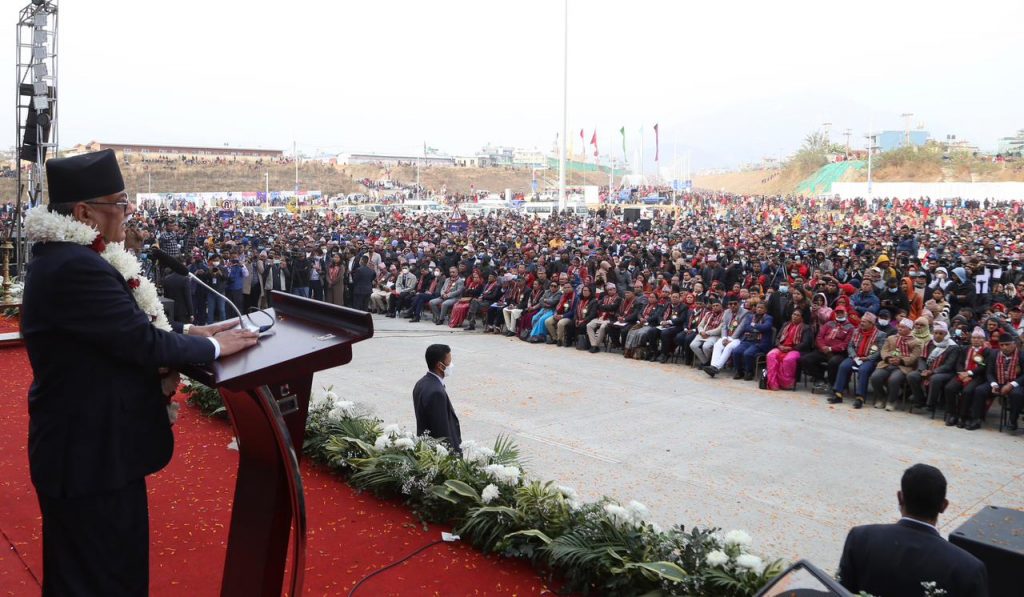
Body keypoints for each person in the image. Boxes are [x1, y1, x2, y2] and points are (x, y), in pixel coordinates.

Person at [21, 149, 259, 595]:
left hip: (90, 452)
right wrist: (212, 346)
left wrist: (189, 330)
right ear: (83, 212)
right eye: (120, 203)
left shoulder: (70, 260)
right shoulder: (76, 267)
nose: (127, 214)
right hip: (90, 456)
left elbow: (113, 332)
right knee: (99, 578)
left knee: (99, 572)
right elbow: (140, 343)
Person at [837, 464, 988, 597]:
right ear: (943, 506)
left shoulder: (861, 539)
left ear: (900, 498)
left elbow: (839, 590)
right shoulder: (968, 568)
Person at [412, 344, 462, 450]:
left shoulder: (421, 383)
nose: (451, 365)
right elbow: (441, 431)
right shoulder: (436, 392)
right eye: (449, 362)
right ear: (440, 365)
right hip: (438, 453)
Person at [870, 318, 923, 411]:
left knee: (894, 380)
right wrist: (888, 358)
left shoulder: (916, 342)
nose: (900, 328)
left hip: (903, 367)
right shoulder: (891, 338)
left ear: (910, 329)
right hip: (887, 364)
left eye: (903, 327)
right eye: (899, 326)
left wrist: (901, 361)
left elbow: (914, 357)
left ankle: (891, 401)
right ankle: (881, 397)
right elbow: (884, 350)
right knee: (875, 377)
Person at [764, 310, 812, 390]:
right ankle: (773, 382)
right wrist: (779, 346)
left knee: (788, 359)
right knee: (771, 355)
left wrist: (791, 348)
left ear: (802, 318)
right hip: (782, 347)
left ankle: (786, 384)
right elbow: (778, 338)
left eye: (797, 315)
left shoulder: (806, 328)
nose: (795, 316)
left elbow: (805, 343)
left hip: (796, 349)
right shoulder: (786, 324)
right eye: (793, 314)